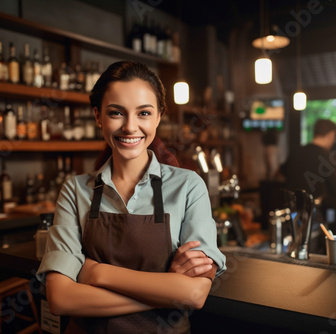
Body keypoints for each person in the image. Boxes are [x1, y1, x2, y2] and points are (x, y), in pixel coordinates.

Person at [36, 60, 226, 333]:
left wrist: (98, 273)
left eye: (144, 113)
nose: (130, 126)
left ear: (159, 116)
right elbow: (61, 299)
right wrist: (166, 292)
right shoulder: (76, 190)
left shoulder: (188, 187)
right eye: (116, 113)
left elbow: (194, 295)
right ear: (98, 117)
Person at [280, 118, 336, 201]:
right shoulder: (328, 156)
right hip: (314, 209)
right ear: (331, 134)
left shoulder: (296, 152)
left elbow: (282, 173)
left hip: (292, 206)